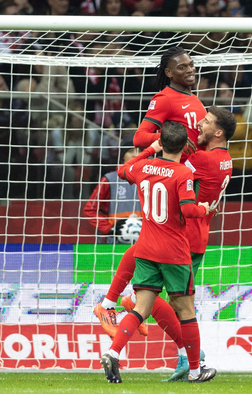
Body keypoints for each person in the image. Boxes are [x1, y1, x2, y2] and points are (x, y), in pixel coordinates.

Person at [94, 46, 206, 338]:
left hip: (188, 176)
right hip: (169, 177)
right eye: (182, 67)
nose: (190, 70)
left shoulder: (194, 99)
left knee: (160, 243)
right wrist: (168, 138)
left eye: (191, 64)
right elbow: (140, 136)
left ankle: (129, 303)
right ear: (169, 73)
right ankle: (110, 303)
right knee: (156, 242)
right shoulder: (165, 98)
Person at [100, 121, 214, 384]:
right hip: (173, 252)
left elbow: (121, 170)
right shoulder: (183, 173)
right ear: (185, 145)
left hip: (146, 248)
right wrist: (204, 209)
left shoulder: (141, 167)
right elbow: (188, 210)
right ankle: (196, 372)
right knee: (186, 311)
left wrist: (146, 150)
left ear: (160, 143)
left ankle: (113, 353)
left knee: (141, 308)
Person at [83, 134, 141, 244]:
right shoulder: (110, 179)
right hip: (113, 242)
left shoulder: (151, 180)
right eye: (130, 151)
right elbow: (89, 210)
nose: (135, 155)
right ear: (123, 156)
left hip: (143, 242)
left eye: (139, 151)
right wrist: (110, 229)